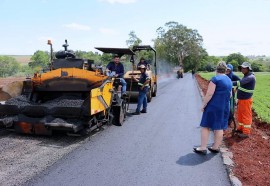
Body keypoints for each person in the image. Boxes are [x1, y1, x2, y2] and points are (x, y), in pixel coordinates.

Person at [193, 61, 232, 155]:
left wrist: (203, 105)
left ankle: (202, 148)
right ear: (225, 70)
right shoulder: (228, 80)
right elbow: (230, 95)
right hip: (224, 107)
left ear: (216, 69)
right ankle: (215, 147)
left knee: (205, 126)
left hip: (213, 107)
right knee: (219, 127)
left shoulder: (215, 79)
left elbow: (209, 94)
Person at [232, 62, 256, 138]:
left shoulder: (250, 77)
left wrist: (227, 82)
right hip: (242, 99)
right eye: (241, 68)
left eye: (244, 68)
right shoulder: (246, 76)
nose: (242, 69)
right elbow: (240, 87)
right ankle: (241, 128)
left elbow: (239, 83)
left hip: (246, 100)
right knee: (240, 115)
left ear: (248, 69)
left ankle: (246, 133)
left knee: (246, 116)